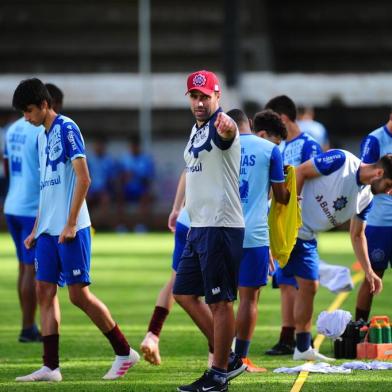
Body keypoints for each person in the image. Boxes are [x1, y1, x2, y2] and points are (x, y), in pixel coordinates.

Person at [12, 78, 139, 382]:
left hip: (72, 228)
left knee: (78, 296)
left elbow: (84, 179)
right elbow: (46, 187)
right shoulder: (41, 136)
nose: (26, 117)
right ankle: (51, 366)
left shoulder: (68, 128)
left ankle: (124, 352)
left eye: (29, 111)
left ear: (44, 105)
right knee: (44, 291)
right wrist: (36, 228)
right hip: (47, 230)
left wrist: (70, 223)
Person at [173, 70, 246, 392]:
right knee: (183, 293)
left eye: (205, 96)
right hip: (199, 225)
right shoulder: (196, 128)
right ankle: (227, 358)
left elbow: (227, 134)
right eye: (194, 96)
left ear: (218, 97)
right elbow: (191, 171)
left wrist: (228, 127)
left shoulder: (221, 125)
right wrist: (180, 208)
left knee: (221, 302)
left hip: (220, 224)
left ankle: (218, 373)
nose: (199, 102)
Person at [289, 149, 392, 360]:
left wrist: (369, 272)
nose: (389, 193)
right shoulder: (341, 160)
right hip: (283, 225)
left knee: (309, 285)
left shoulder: (366, 198)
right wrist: (293, 214)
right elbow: (300, 172)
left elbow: (357, 235)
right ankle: (229, 352)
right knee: (251, 286)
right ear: (380, 174)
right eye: (390, 186)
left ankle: (301, 348)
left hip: (306, 237)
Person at [226, 109, 289, 372]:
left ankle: (221, 355)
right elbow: (281, 196)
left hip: (222, 230)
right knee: (249, 299)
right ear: (250, 124)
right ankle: (241, 358)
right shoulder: (269, 150)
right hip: (254, 233)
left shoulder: (221, 146)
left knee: (222, 300)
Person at [3, 83, 63, 343]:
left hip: (11, 204)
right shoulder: (38, 131)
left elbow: (7, 165)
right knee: (31, 269)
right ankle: (28, 328)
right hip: (31, 208)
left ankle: (28, 324)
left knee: (22, 267)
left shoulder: (12, 129)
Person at [264, 95, 322, 356]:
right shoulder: (279, 146)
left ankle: (301, 338)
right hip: (278, 220)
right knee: (285, 282)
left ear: (284, 119)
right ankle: (288, 337)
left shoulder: (309, 146)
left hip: (299, 221)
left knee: (303, 282)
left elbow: (313, 180)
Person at [140, 172, 194, 365]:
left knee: (175, 281)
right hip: (208, 224)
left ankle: (153, 335)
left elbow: (187, 172)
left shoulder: (198, 140)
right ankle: (220, 356)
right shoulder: (229, 143)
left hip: (185, 219)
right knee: (217, 293)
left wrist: (176, 208)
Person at [355, 112, 392, 322]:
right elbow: (365, 176)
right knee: (373, 274)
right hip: (379, 220)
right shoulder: (375, 140)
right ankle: (359, 326)